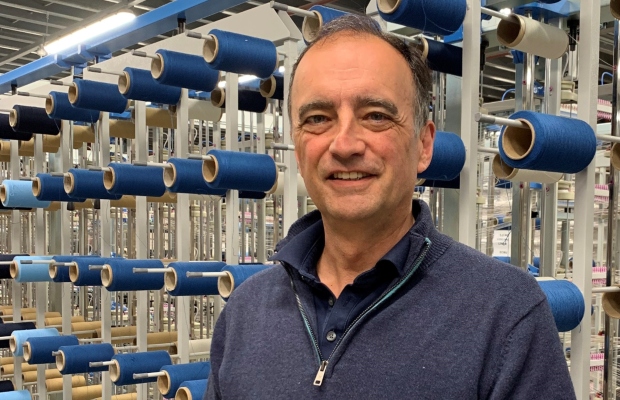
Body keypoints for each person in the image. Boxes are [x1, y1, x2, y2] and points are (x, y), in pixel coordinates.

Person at [204, 14, 575, 399]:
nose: (344, 144)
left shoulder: (504, 314)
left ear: (424, 145)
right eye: (318, 119)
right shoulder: (246, 312)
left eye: (376, 116)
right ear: (297, 147)